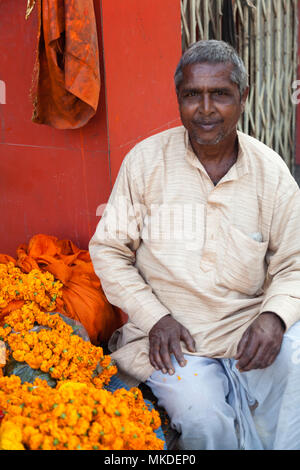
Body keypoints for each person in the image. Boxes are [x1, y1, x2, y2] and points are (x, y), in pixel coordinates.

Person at [89, 40, 300, 450]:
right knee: (204, 420)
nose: (205, 109)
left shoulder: (271, 173)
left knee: (294, 383)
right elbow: (109, 250)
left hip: (249, 329)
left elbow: (295, 262)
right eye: (192, 95)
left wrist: (275, 317)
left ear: (243, 97)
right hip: (173, 338)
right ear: (179, 99)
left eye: (220, 94)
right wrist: (155, 318)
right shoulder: (144, 163)